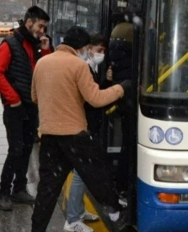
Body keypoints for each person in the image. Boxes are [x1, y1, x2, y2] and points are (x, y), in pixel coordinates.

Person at [31, 26, 130, 232]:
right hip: (75, 135)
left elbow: (34, 97)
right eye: (86, 48)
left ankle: (37, 228)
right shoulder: (78, 65)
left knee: (47, 188)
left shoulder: (42, 62)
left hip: (49, 135)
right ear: (81, 47)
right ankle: (115, 213)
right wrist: (121, 88)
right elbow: (96, 99)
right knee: (97, 175)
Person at [0, 6, 51, 211]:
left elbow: (42, 72)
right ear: (29, 22)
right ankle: (3, 193)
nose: (42, 31)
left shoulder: (35, 45)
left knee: (26, 149)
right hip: (16, 107)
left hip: (30, 106)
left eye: (44, 27)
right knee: (15, 150)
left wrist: (44, 50)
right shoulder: (10, 44)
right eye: (40, 26)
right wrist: (13, 98)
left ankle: (19, 188)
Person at [64, 33, 110, 232]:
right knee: (80, 173)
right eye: (98, 50)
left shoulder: (94, 66)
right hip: (82, 125)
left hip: (89, 124)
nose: (101, 54)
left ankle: (79, 211)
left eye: (103, 51)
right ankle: (72, 220)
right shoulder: (81, 67)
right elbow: (93, 97)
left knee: (82, 171)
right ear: (88, 48)